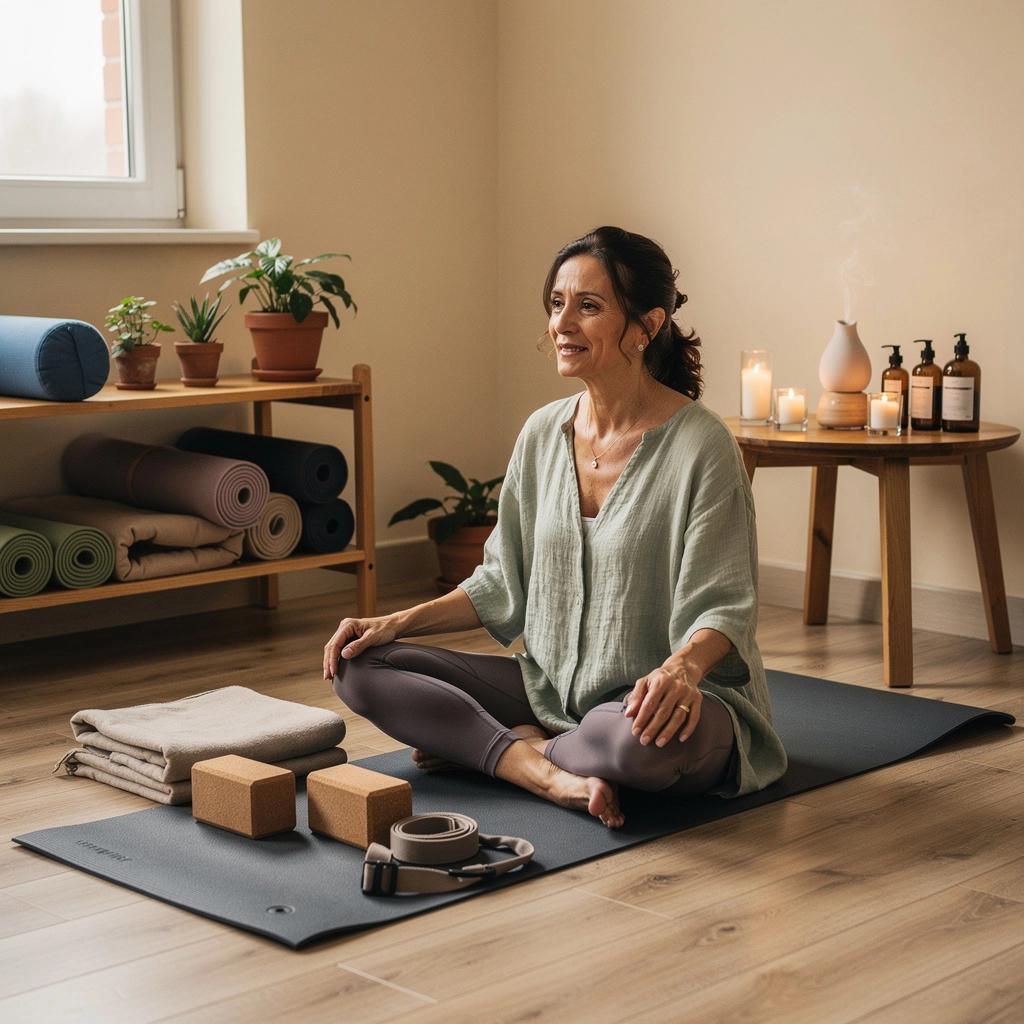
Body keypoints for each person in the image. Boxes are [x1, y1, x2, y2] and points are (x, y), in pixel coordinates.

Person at [325, 226, 788, 829]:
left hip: (662, 703)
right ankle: (535, 765)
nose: (562, 323)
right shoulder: (542, 432)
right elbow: (500, 583)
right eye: (556, 303)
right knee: (360, 665)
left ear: (646, 326)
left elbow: (723, 608)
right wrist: (390, 623)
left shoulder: (703, 446)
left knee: (633, 745)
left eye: (588, 306)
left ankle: (495, 747)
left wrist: (682, 670)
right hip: (548, 688)